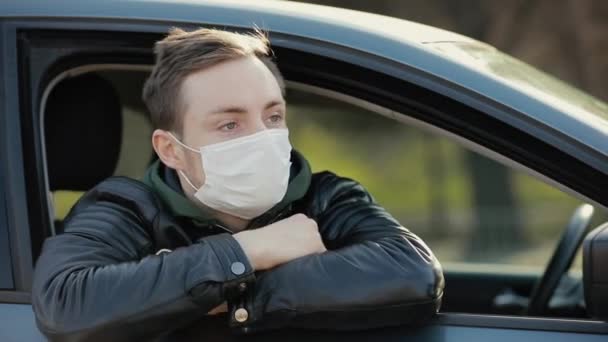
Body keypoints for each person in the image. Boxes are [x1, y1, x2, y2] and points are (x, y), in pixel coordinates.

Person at [32, 27, 444, 341]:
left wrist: (234, 297)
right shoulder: (125, 209)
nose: (260, 138)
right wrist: (250, 251)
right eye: (229, 124)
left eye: (272, 117)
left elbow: (413, 273)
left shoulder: (327, 198)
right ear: (171, 150)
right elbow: (66, 303)